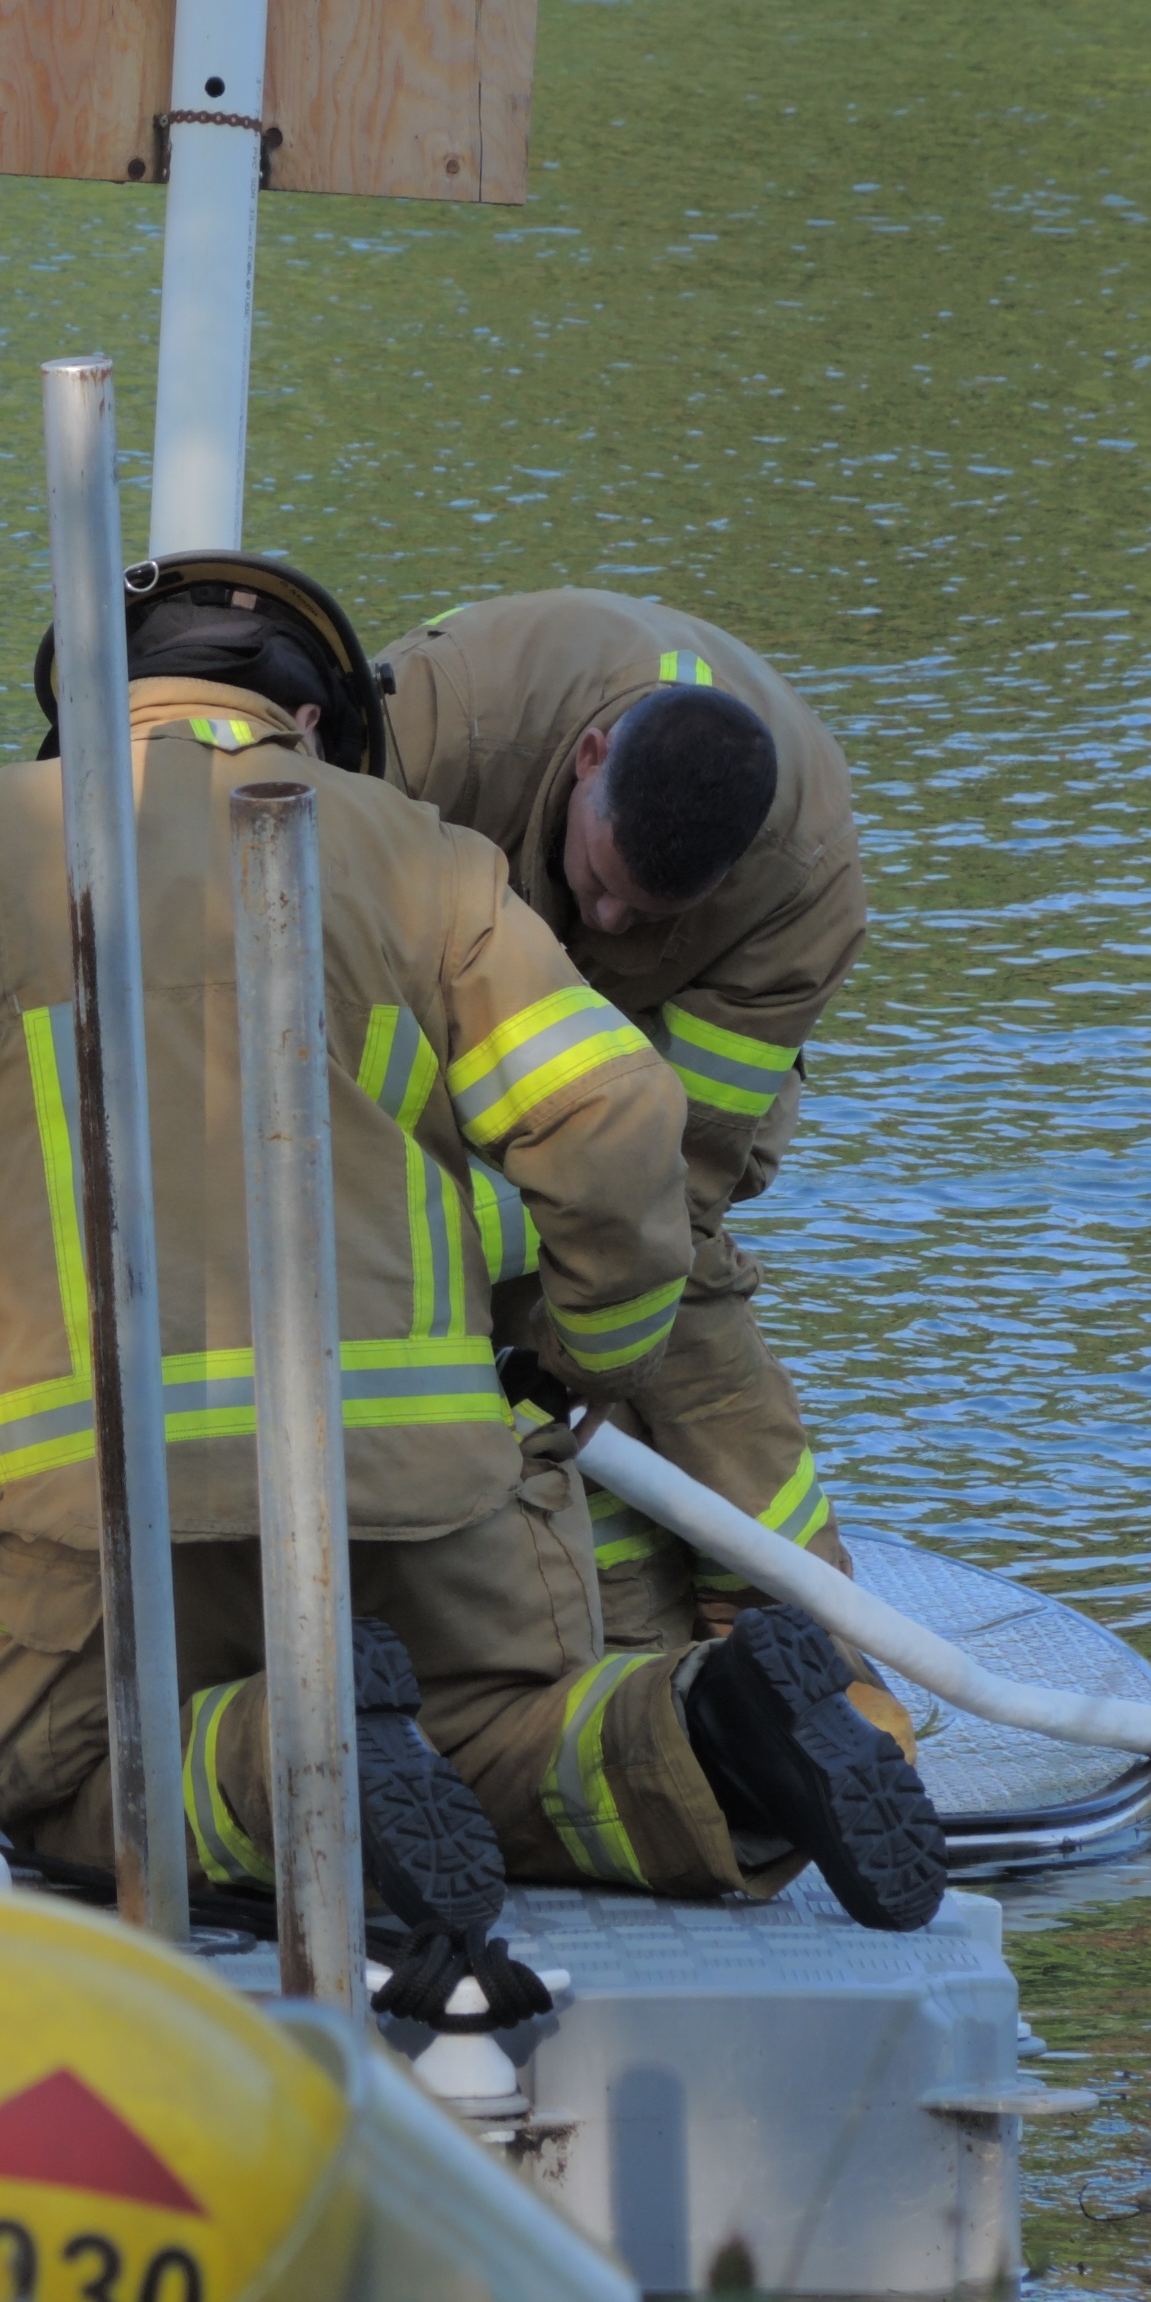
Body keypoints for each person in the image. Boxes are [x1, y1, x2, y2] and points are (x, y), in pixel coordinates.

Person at [0, 556, 946, 1932]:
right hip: (431, 1482)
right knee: (502, 1729)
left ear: (84, 709)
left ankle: (283, 1764)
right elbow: (624, 1130)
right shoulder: (423, 852)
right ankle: (712, 1734)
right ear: (313, 723)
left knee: (48, 1774)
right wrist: (583, 1348)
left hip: (110, 1489)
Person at [376, 591, 874, 1671]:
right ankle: (619, 1587)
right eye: (601, 884)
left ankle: (790, 1633)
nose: (609, 923)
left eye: (648, 916)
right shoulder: (434, 729)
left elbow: (679, 1173)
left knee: (667, 1275)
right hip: (429, 1019)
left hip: (648, 1058)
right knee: (413, 1245)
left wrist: (582, 1334)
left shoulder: (804, 890)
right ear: (590, 756)